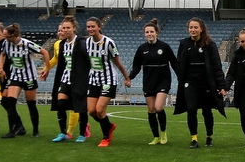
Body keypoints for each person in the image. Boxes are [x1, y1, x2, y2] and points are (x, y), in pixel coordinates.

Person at [174, 17, 227, 148]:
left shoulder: (210, 44)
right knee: (191, 109)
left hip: (206, 83)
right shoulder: (184, 44)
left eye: (195, 27)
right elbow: (179, 64)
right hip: (190, 83)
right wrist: (182, 78)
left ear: (201, 29)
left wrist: (221, 85)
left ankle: (209, 136)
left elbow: (216, 66)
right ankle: (194, 139)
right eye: (191, 27)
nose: (193, 30)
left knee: (207, 111)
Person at [128, 18, 178, 145]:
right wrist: (129, 78)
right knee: (151, 110)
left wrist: (181, 76)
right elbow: (136, 67)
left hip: (163, 80)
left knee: (158, 107)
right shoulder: (141, 49)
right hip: (149, 82)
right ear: (144, 34)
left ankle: (163, 132)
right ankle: (155, 137)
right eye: (147, 32)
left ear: (157, 32)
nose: (149, 34)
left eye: (151, 31)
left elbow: (174, 62)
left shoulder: (164, 47)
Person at [83, 16, 131, 147]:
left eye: (93, 26)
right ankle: (109, 126)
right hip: (93, 80)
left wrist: (127, 78)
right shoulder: (86, 42)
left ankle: (106, 137)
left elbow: (118, 63)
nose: (90, 29)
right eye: (88, 27)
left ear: (99, 27)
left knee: (99, 110)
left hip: (108, 80)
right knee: (92, 111)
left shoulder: (109, 43)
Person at [0, 23, 50, 139]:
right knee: (9, 102)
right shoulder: (6, 43)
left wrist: (47, 69)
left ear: (13, 35)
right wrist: (1, 67)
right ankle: (13, 130)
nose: (4, 38)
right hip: (15, 76)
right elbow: (2, 54)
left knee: (31, 104)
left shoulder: (26, 44)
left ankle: (35, 130)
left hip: (29, 77)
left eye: (6, 36)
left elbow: (45, 52)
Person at [45, 15, 90, 143]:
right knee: (60, 103)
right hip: (65, 78)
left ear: (74, 28)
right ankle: (63, 133)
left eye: (68, 28)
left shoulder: (81, 42)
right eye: (63, 28)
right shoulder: (62, 44)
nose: (65, 30)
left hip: (79, 79)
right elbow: (60, 61)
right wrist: (46, 69)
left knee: (81, 107)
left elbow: (87, 59)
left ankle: (82, 134)